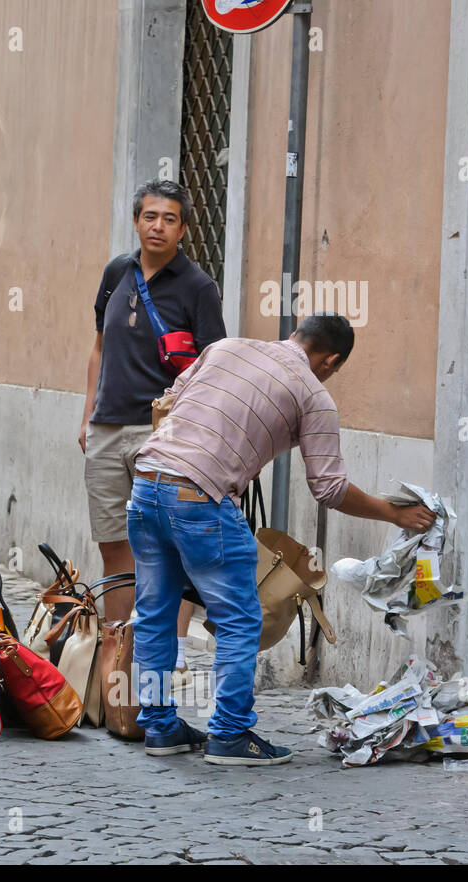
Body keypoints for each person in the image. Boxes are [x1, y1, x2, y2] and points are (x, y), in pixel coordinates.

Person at [129, 313, 437, 766]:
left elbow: (171, 400)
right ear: (330, 359)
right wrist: (395, 513)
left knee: (155, 614)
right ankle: (230, 735)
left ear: (296, 335)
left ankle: (159, 727)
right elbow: (329, 488)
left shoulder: (226, 348)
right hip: (200, 498)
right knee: (239, 619)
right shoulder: (314, 393)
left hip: (145, 484)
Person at [78, 179, 226, 675]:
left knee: (167, 548)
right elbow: (98, 346)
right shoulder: (117, 272)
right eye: (149, 216)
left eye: (168, 218)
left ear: (183, 228)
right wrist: (87, 416)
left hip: (163, 435)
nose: (157, 226)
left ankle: (172, 655)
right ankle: (118, 660)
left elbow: (212, 368)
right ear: (136, 221)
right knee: (114, 546)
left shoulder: (199, 288)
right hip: (106, 428)